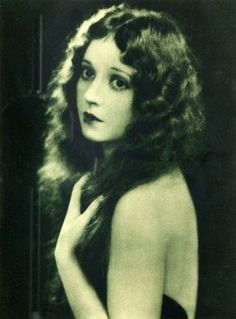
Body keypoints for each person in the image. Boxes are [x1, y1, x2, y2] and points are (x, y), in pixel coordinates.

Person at [38, 3, 205, 319]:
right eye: (87, 73)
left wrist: (66, 260)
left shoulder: (139, 202)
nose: (91, 95)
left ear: (152, 98)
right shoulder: (158, 177)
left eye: (118, 82)